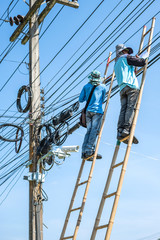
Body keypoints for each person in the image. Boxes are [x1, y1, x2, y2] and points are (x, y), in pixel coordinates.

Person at [114, 44, 146, 143]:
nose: (127, 52)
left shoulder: (116, 63)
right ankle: (126, 129)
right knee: (130, 107)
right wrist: (141, 58)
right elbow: (141, 62)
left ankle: (120, 130)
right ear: (122, 52)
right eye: (126, 51)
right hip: (131, 86)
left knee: (123, 109)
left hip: (122, 88)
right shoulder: (125, 57)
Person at [79, 70, 107, 160]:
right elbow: (102, 100)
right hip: (97, 111)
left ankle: (84, 152)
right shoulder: (102, 87)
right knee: (94, 131)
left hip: (88, 111)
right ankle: (89, 150)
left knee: (89, 131)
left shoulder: (86, 86)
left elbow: (81, 99)